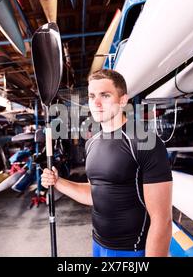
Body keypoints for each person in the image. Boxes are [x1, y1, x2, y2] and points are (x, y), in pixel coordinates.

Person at [41, 69, 173, 257]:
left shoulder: (145, 143)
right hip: (99, 245)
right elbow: (96, 193)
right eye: (92, 96)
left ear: (122, 100)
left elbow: (162, 220)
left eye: (105, 95)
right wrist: (58, 182)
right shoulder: (92, 143)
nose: (96, 103)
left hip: (133, 251)